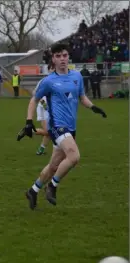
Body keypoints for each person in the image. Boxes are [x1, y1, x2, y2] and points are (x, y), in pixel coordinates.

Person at [17, 43, 107, 210]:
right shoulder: (48, 81)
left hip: (70, 128)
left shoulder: (77, 76)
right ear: (53, 59)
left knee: (53, 166)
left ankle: (33, 190)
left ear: (68, 57)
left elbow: (81, 97)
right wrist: (29, 121)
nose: (62, 59)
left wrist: (94, 107)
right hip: (57, 126)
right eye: (58, 56)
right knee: (74, 156)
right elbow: (34, 100)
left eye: (64, 55)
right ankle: (52, 186)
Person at [35, 63, 55, 155]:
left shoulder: (58, 81)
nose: (53, 70)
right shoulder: (44, 81)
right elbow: (35, 93)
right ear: (49, 70)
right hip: (43, 108)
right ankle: (29, 130)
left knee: (50, 132)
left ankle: (41, 150)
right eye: (52, 68)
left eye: (55, 68)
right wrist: (44, 104)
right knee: (48, 131)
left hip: (51, 109)